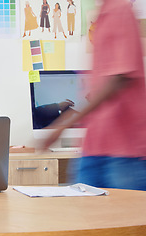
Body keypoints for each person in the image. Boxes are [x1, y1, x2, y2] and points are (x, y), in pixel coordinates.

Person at [42, 0, 146, 191]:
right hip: (94, 143)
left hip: (123, 147)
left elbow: (119, 79)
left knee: (126, 216)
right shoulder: (101, 15)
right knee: (84, 213)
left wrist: (62, 125)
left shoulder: (120, 10)